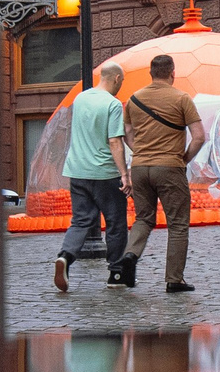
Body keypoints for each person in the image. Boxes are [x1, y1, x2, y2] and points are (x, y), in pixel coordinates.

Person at [115, 53, 206, 293]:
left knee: (144, 218)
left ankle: (129, 256)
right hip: (169, 168)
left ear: (151, 73)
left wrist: (142, 151)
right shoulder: (181, 98)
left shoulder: (134, 100)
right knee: (177, 224)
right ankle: (174, 280)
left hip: (140, 168)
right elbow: (199, 137)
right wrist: (183, 158)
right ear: (172, 73)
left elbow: (127, 133)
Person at [54, 62, 129, 292]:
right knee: (116, 222)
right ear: (116, 78)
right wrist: (125, 174)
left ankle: (65, 257)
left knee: (81, 220)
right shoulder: (113, 105)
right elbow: (115, 141)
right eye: (122, 82)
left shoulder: (81, 99)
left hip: (77, 170)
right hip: (105, 173)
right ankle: (116, 273)